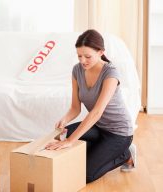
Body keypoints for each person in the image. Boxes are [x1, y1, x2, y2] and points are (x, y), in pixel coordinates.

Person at [45, 29, 136, 183]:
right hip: (99, 128)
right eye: (79, 56)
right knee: (63, 135)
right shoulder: (77, 70)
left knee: (86, 175)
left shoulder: (110, 73)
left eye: (87, 56)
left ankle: (125, 155)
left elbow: (96, 112)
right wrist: (65, 119)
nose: (82, 61)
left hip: (119, 133)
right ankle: (101, 149)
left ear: (101, 52)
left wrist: (70, 142)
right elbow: (75, 107)